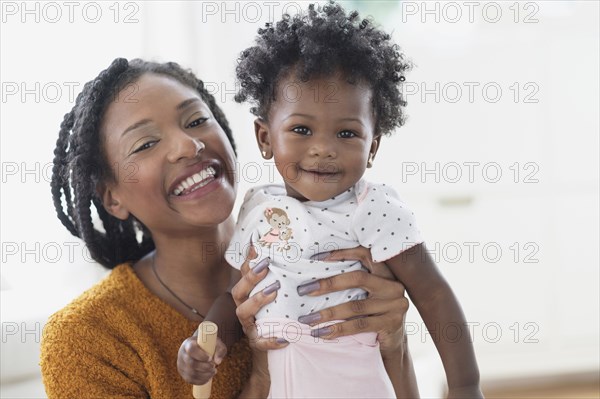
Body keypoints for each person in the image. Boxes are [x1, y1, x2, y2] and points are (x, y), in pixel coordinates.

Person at [40, 57, 417, 398]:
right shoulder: (87, 339)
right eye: (146, 143)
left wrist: (392, 344)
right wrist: (260, 378)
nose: (188, 146)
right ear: (112, 198)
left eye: (196, 121)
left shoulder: (334, 266)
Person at [220, 2, 482, 398]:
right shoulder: (257, 208)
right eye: (302, 129)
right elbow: (233, 295)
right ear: (265, 139)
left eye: (346, 134)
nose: (323, 148)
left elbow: (433, 293)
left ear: (372, 147)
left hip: (353, 381)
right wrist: (205, 341)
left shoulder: (373, 208)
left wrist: (466, 386)